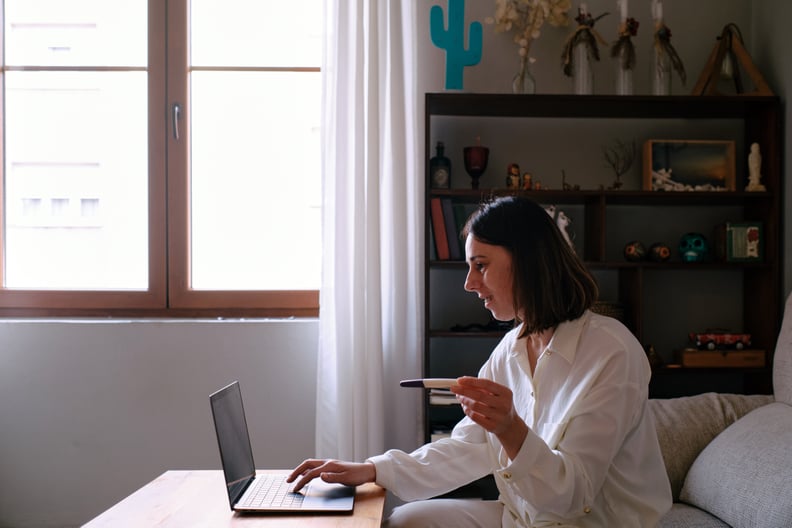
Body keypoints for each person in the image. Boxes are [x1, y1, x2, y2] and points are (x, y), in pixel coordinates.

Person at [288, 196, 672, 527]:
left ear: (527, 262)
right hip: (522, 518)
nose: (469, 283)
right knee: (406, 521)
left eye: (481, 265)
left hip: (590, 523)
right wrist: (372, 470)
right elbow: (467, 447)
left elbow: (572, 496)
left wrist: (509, 428)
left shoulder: (612, 352)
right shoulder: (512, 348)